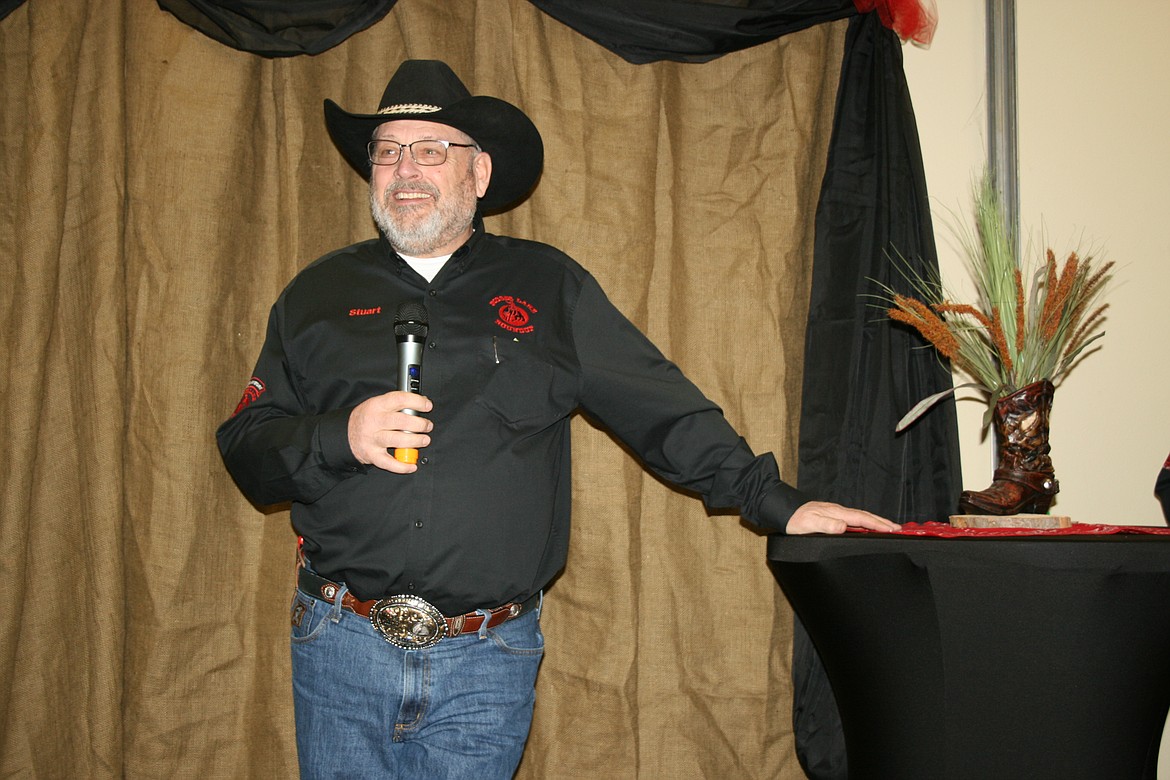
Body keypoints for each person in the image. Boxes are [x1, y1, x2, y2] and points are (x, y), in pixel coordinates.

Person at [216, 59, 898, 779]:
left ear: (478, 174)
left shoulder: (548, 286)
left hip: (486, 659)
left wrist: (779, 505)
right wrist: (339, 436)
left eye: (429, 149)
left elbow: (659, 409)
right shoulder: (314, 295)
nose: (404, 169)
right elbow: (247, 445)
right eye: (387, 151)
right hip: (340, 648)